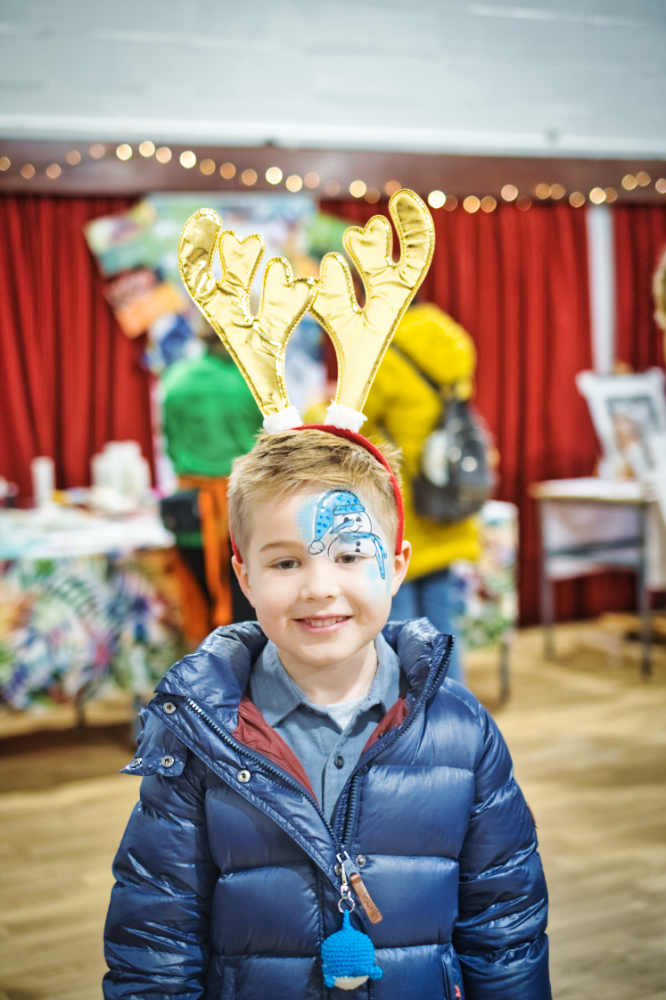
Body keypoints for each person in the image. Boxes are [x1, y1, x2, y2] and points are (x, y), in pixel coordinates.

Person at [103, 427, 550, 999]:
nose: (319, 586)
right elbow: (155, 938)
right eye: (286, 563)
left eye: (349, 555)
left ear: (394, 565)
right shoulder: (200, 734)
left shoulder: (462, 731)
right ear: (245, 576)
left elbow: (505, 927)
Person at [363, 303, 482, 683]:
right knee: (442, 623)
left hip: (402, 505)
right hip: (443, 495)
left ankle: (410, 722)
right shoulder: (451, 342)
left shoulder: (384, 353)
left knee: (400, 625)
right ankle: (453, 710)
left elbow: (357, 420)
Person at [160, 324, 262, 640]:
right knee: (246, 611)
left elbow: (170, 442)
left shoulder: (176, 378)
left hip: (190, 509)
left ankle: (206, 675)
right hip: (242, 509)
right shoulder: (252, 381)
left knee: (200, 600)